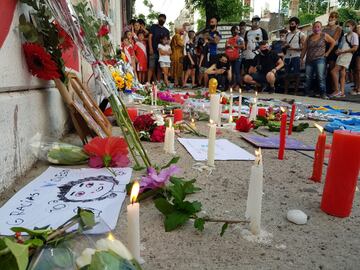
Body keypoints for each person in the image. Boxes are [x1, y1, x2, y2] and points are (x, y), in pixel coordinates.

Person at [300, 21, 336, 99]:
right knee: (308, 77)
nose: (316, 28)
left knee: (320, 76)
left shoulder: (324, 35)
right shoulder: (309, 37)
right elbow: (304, 48)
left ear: (321, 28)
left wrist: (327, 53)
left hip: (320, 59)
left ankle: (323, 93)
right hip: (309, 60)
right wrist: (301, 58)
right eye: (315, 27)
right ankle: (306, 93)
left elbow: (333, 42)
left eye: (318, 27)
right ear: (312, 28)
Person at [331, 20, 359, 97]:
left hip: (346, 55)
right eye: (345, 26)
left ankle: (337, 90)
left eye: (348, 26)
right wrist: (338, 51)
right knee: (342, 73)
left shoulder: (354, 35)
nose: (346, 27)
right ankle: (342, 92)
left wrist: (343, 51)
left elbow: (355, 48)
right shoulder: (345, 35)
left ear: (353, 27)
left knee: (334, 71)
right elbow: (341, 46)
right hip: (341, 55)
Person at [283, 17, 306, 94]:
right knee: (286, 74)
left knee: (296, 74)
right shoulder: (287, 35)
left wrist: (293, 48)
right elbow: (283, 45)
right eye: (290, 24)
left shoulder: (301, 34)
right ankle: (286, 91)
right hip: (287, 56)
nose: (291, 25)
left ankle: (295, 92)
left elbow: (304, 47)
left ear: (297, 24)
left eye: (292, 24)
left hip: (296, 56)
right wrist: (284, 47)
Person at [323, 11, 343, 94]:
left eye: (334, 17)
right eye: (331, 17)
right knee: (324, 70)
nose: (332, 19)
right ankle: (325, 88)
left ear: (336, 19)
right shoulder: (325, 28)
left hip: (334, 49)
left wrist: (327, 39)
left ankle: (334, 89)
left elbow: (334, 40)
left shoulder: (339, 28)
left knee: (332, 68)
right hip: (324, 48)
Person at [148, 14, 170, 83]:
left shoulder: (166, 31)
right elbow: (150, 37)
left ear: (165, 20)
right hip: (154, 50)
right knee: (151, 67)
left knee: (160, 68)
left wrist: (167, 51)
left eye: (163, 19)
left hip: (162, 53)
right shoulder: (153, 27)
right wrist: (150, 48)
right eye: (161, 18)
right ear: (158, 18)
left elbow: (168, 41)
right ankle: (148, 82)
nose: (162, 20)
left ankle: (158, 82)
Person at [225, 26, 244, 90]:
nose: (234, 32)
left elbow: (244, 47)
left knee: (237, 71)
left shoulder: (240, 38)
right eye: (232, 30)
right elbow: (226, 47)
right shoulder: (228, 39)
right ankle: (233, 84)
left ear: (238, 31)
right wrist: (228, 46)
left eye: (235, 30)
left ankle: (239, 85)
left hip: (238, 57)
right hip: (230, 57)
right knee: (232, 71)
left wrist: (236, 46)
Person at [350, 25, 360, 95]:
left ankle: (358, 88)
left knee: (358, 70)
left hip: (358, 54)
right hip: (354, 54)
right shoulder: (353, 35)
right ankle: (356, 86)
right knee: (354, 71)